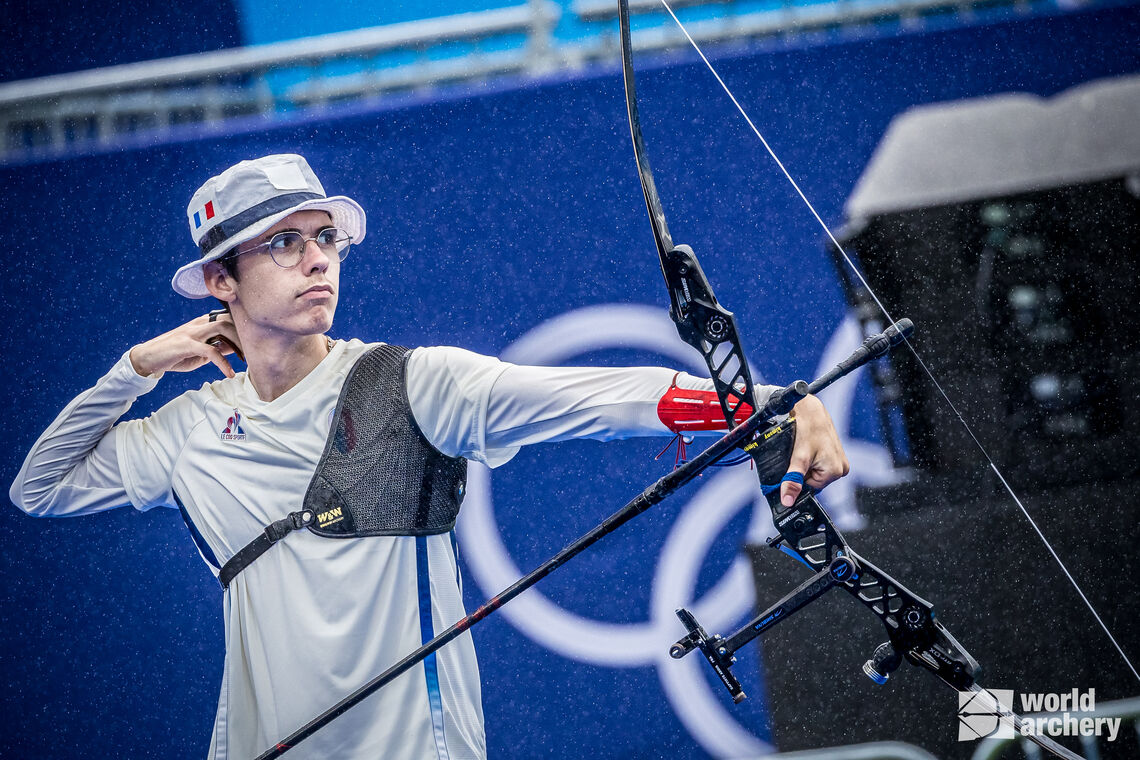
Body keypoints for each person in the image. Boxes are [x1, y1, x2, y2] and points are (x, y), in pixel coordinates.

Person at [10, 154, 848, 760]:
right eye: (281, 244)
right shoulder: (190, 429)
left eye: (325, 239)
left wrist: (770, 402)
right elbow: (38, 488)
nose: (316, 258)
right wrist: (136, 369)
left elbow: (592, 398)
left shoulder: (410, 383)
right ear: (221, 282)